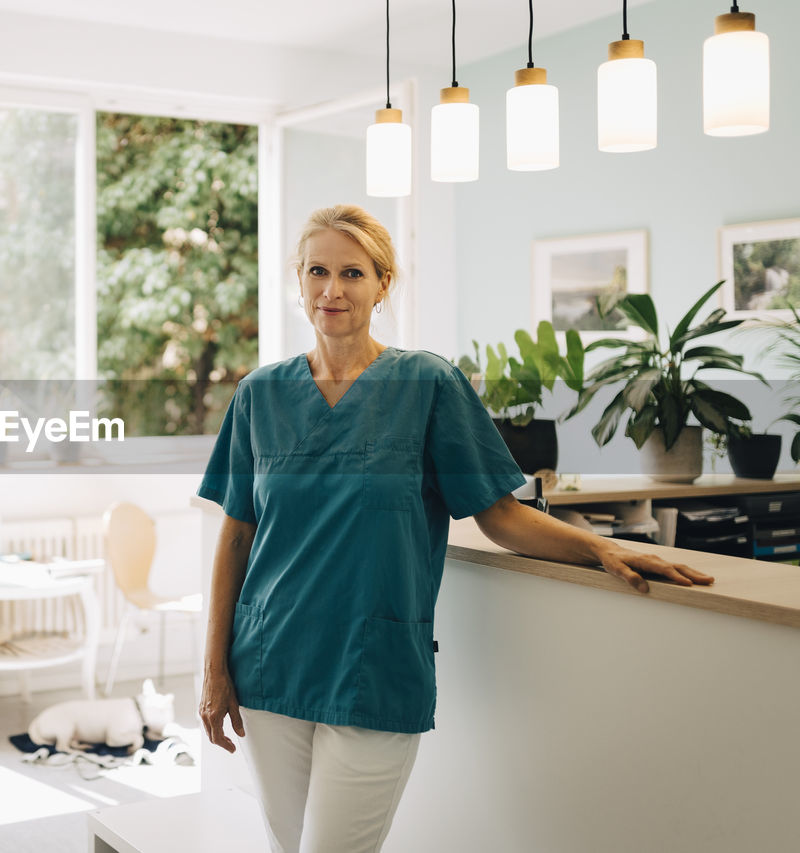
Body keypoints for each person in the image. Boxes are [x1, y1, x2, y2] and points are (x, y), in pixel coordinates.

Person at [196, 204, 713, 853]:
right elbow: (237, 534)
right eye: (318, 271)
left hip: (373, 666)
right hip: (270, 666)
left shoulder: (427, 384)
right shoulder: (259, 396)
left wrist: (603, 547)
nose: (333, 290)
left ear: (383, 284)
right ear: (297, 280)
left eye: (352, 272)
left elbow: (497, 513)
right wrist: (213, 668)